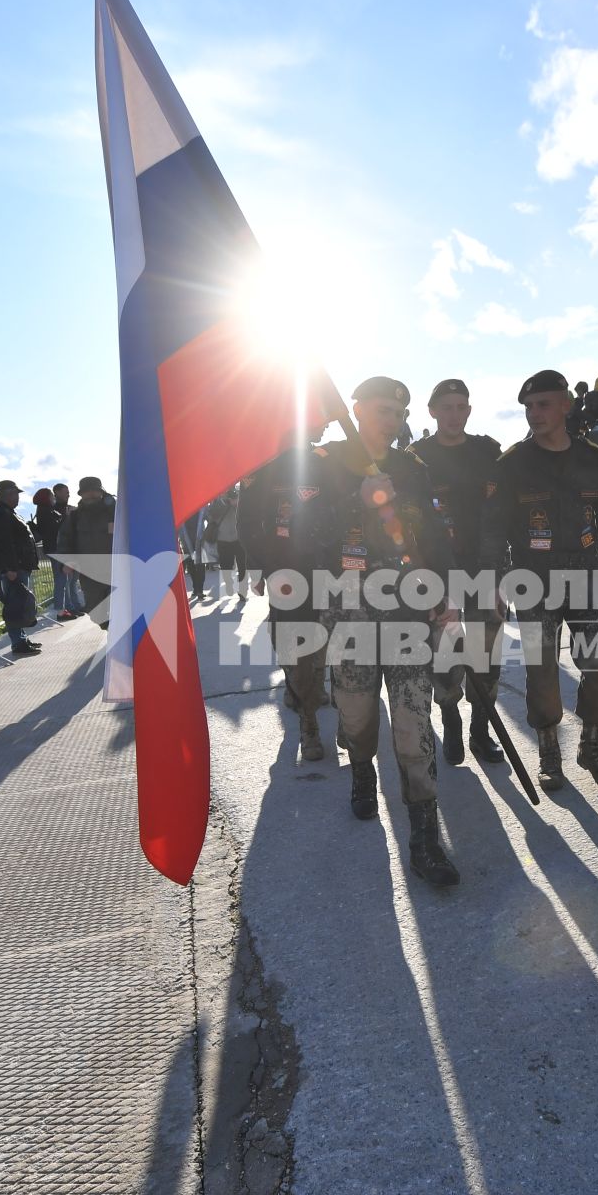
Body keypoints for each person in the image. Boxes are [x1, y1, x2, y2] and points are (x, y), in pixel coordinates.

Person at [302, 375, 461, 886]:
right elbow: (305, 540)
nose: (390, 422)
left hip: (405, 614)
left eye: (397, 413)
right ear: (356, 409)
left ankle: (424, 836)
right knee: (357, 714)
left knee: (414, 724)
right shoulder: (325, 465)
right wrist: (358, 499)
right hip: (348, 614)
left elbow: (433, 538)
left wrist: (444, 593)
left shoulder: (410, 469)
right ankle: (362, 768)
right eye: (380, 411)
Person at [482, 369, 598, 793]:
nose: (534, 414)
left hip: (587, 573)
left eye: (543, 404)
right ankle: (550, 758)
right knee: (542, 672)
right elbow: (493, 529)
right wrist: (493, 581)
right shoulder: (511, 465)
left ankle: (592, 748)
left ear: (566, 404)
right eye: (528, 407)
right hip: (534, 579)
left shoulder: (593, 459)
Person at [409, 378, 506, 767]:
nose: (454, 414)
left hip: (483, 568)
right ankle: (450, 720)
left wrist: (500, 573)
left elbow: (502, 516)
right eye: (445, 407)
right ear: (432, 412)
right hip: (437, 571)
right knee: (445, 656)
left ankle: (480, 734)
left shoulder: (487, 452)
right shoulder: (415, 458)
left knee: (486, 658)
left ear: (468, 410)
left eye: (460, 407)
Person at [240, 429, 330, 759]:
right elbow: (249, 524)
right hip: (283, 569)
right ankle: (308, 723)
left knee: (321, 638)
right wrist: (262, 567)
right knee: (292, 642)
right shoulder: (263, 468)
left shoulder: (326, 463)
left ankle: (310, 688)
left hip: (324, 568)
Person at [0, 479, 43, 657]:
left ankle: (21, 639)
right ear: (6, 495)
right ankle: (17, 643)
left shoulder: (7, 512)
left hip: (19, 566)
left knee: (19, 604)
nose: (17, 498)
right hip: (14, 568)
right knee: (15, 606)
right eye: (14, 494)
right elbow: (3, 544)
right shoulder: (1, 513)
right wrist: (9, 568)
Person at [57, 475, 117, 626]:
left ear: (101, 492)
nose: (90, 494)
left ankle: (121, 640)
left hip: (116, 569)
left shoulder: (117, 511)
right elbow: (65, 539)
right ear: (81, 494)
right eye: (86, 491)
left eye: (94, 490)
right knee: (96, 612)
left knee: (120, 608)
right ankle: (112, 630)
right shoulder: (75, 516)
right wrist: (67, 561)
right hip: (89, 572)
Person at [28, 487, 73, 621]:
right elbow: (55, 529)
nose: (54, 498)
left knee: (61, 579)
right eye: (51, 496)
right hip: (55, 549)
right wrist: (66, 516)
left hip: (53, 548)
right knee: (60, 580)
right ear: (47, 498)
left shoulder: (44, 511)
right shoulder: (46, 512)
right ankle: (60, 611)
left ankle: (62, 609)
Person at [50, 482, 82, 619]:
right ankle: (67, 609)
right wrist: (68, 517)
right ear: (56, 493)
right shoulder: (54, 510)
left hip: (73, 549)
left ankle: (75, 606)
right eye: (65, 491)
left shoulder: (68, 508)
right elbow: (59, 530)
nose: (68, 494)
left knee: (73, 580)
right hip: (61, 551)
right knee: (65, 581)